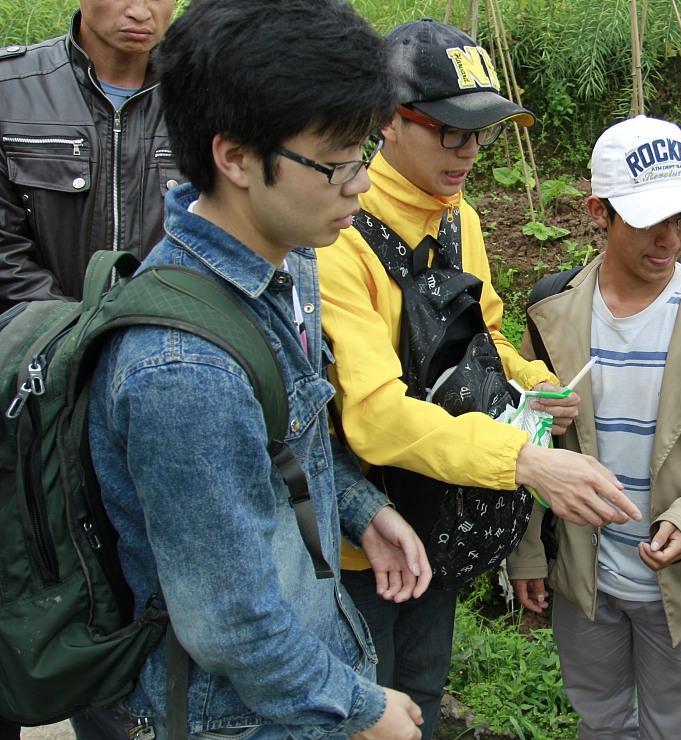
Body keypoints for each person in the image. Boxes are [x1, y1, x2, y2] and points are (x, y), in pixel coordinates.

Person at [86, 1, 432, 737]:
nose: (360, 185)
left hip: (297, 673)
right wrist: (365, 708)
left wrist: (362, 511)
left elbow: (288, 438)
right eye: (336, 163)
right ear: (235, 157)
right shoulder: (183, 372)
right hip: (235, 717)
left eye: (362, 154)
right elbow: (228, 624)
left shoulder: (290, 259)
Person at [316, 19, 640, 739]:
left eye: (482, 135)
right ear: (387, 122)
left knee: (424, 687)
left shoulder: (459, 214)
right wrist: (522, 460)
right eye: (449, 132)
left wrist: (532, 383)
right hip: (361, 535)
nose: (468, 153)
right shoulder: (340, 236)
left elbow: (481, 332)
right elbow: (371, 413)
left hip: (440, 512)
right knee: (359, 707)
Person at [506, 115, 681, 740]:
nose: (669, 238)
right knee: (599, 718)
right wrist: (526, 554)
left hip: (680, 583)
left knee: (670, 725)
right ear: (598, 211)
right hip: (584, 574)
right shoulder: (551, 314)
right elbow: (524, 440)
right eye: (648, 219)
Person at [0, 0, 180, 312]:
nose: (140, 11)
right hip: (34, 344)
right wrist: (72, 334)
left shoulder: (205, 98)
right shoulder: (10, 89)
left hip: (165, 345)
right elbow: (6, 253)